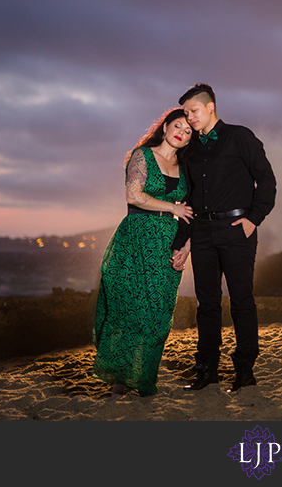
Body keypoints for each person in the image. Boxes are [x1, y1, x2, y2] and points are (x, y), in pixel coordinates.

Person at [172, 82, 276, 393]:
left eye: (194, 111)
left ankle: (245, 371)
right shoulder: (190, 150)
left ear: (210, 107)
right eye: (186, 113)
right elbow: (189, 199)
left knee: (242, 302)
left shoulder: (240, 137)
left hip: (236, 230)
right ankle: (207, 371)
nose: (189, 117)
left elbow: (267, 180)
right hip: (202, 232)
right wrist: (183, 241)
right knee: (207, 305)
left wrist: (253, 219)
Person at [91, 108, 194, 398]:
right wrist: (172, 207)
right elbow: (133, 195)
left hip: (167, 245)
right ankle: (119, 382)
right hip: (135, 239)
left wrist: (185, 248)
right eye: (177, 126)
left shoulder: (186, 168)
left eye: (188, 132)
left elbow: (191, 213)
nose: (181, 134)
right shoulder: (142, 156)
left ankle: (144, 378)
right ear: (164, 127)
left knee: (159, 316)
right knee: (129, 310)